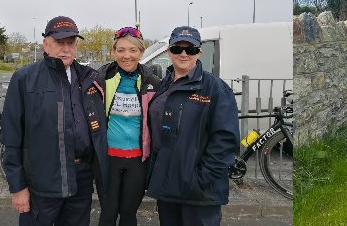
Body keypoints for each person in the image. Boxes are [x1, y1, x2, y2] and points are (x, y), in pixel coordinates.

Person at [2, 16, 97, 226]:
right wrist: (17, 187)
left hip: (80, 180)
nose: (65, 49)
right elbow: (11, 136)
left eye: (70, 43)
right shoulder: (25, 78)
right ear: (46, 44)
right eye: (59, 43)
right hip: (41, 181)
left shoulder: (88, 77)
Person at [144, 27, 237, 226]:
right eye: (177, 49)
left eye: (191, 49)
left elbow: (225, 141)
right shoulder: (164, 85)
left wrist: (200, 179)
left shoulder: (215, 88)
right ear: (169, 51)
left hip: (198, 192)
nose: (184, 54)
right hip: (168, 186)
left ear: (199, 53)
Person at [87, 26, 158, 226]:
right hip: (108, 158)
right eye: (121, 50)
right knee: (108, 214)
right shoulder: (101, 79)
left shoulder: (153, 82)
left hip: (138, 160)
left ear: (141, 52)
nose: (127, 56)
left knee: (128, 214)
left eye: (133, 50)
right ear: (113, 52)